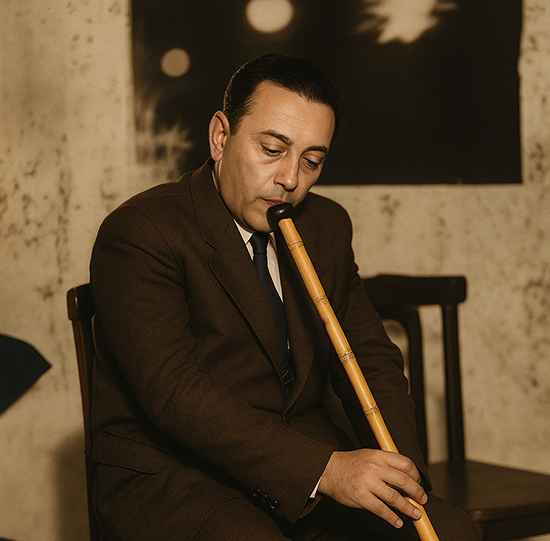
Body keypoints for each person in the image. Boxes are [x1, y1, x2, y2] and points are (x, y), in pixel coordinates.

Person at [89, 53, 479, 540]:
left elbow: (370, 357)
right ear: (220, 137)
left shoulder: (326, 226)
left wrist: (403, 475)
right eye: (273, 149)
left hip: (305, 471)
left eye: (311, 161)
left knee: (451, 531)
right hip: (178, 477)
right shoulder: (141, 231)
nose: (291, 179)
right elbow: (175, 392)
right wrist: (326, 469)